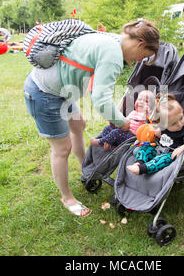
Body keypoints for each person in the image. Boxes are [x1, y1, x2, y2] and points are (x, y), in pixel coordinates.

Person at [23, 18, 160, 217]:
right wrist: (123, 123)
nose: (139, 61)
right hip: (44, 93)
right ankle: (67, 198)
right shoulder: (112, 53)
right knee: (62, 148)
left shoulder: (111, 39)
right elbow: (101, 100)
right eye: (143, 55)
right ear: (140, 44)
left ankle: (85, 170)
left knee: (78, 125)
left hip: (62, 92)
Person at [127, 93, 184, 175]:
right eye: (173, 123)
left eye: (181, 118)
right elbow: (152, 125)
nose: (179, 123)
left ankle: (142, 169)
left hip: (170, 154)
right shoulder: (162, 127)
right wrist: (155, 130)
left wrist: (183, 147)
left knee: (162, 159)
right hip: (157, 149)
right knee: (145, 148)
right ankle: (139, 162)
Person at [90, 89, 154, 151]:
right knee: (107, 128)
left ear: (151, 107)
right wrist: (116, 124)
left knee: (116, 132)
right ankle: (107, 143)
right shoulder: (133, 112)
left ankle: (100, 142)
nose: (141, 102)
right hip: (123, 132)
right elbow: (125, 122)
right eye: (139, 99)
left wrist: (148, 112)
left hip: (132, 137)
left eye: (146, 101)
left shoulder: (147, 115)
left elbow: (150, 123)